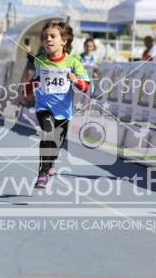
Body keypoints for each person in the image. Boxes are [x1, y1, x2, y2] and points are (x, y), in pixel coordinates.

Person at [29, 22, 90, 189]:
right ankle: (42, 172)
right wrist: (29, 87)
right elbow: (34, 79)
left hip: (63, 111)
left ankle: (50, 165)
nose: (47, 39)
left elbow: (86, 87)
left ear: (64, 40)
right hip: (44, 107)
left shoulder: (73, 62)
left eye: (52, 36)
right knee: (47, 133)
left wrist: (75, 81)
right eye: (44, 37)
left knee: (56, 143)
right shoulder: (39, 61)